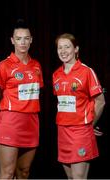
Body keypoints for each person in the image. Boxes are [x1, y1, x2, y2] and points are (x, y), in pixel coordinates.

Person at [0, 18, 44, 179]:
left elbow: (33, 96)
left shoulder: (37, 66)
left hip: (31, 123)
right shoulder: (3, 65)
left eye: (26, 38)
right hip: (10, 123)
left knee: (24, 172)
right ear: (13, 41)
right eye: (18, 39)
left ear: (31, 40)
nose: (23, 42)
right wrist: (2, 123)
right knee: (7, 173)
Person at [52, 33, 105, 179]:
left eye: (67, 47)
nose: (63, 51)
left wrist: (89, 124)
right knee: (70, 178)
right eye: (59, 48)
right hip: (62, 131)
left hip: (80, 132)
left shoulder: (86, 71)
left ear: (76, 49)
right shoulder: (56, 74)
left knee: (78, 178)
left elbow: (100, 101)